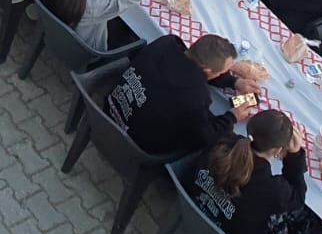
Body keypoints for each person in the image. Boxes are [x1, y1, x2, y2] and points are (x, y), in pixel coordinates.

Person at [107, 33, 258, 155]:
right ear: (207, 70)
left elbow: (192, 66)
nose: (223, 74)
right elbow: (203, 137)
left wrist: (233, 82)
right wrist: (231, 117)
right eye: (222, 72)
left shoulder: (167, 43)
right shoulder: (196, 97)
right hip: (136, 140)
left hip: (111, 105)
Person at [190, 109, 312, 234]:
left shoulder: (221, 139)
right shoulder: (270, 188)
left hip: (196, 206)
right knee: (307, 219)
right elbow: (298, 198)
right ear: (277, 151)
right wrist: (294, 156)